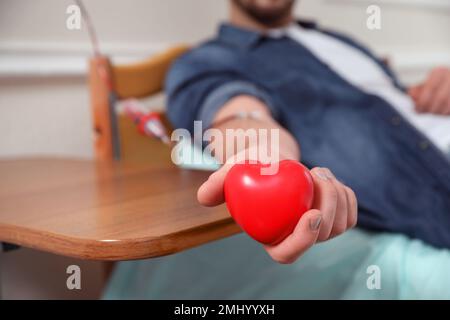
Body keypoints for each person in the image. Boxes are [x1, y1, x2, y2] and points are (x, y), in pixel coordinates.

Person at [165, 0, 450, 265]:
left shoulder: (343, 41)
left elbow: (398, 106)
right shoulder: (205, 60)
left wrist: (435, 92)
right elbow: (238, 113)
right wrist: (262, 155)